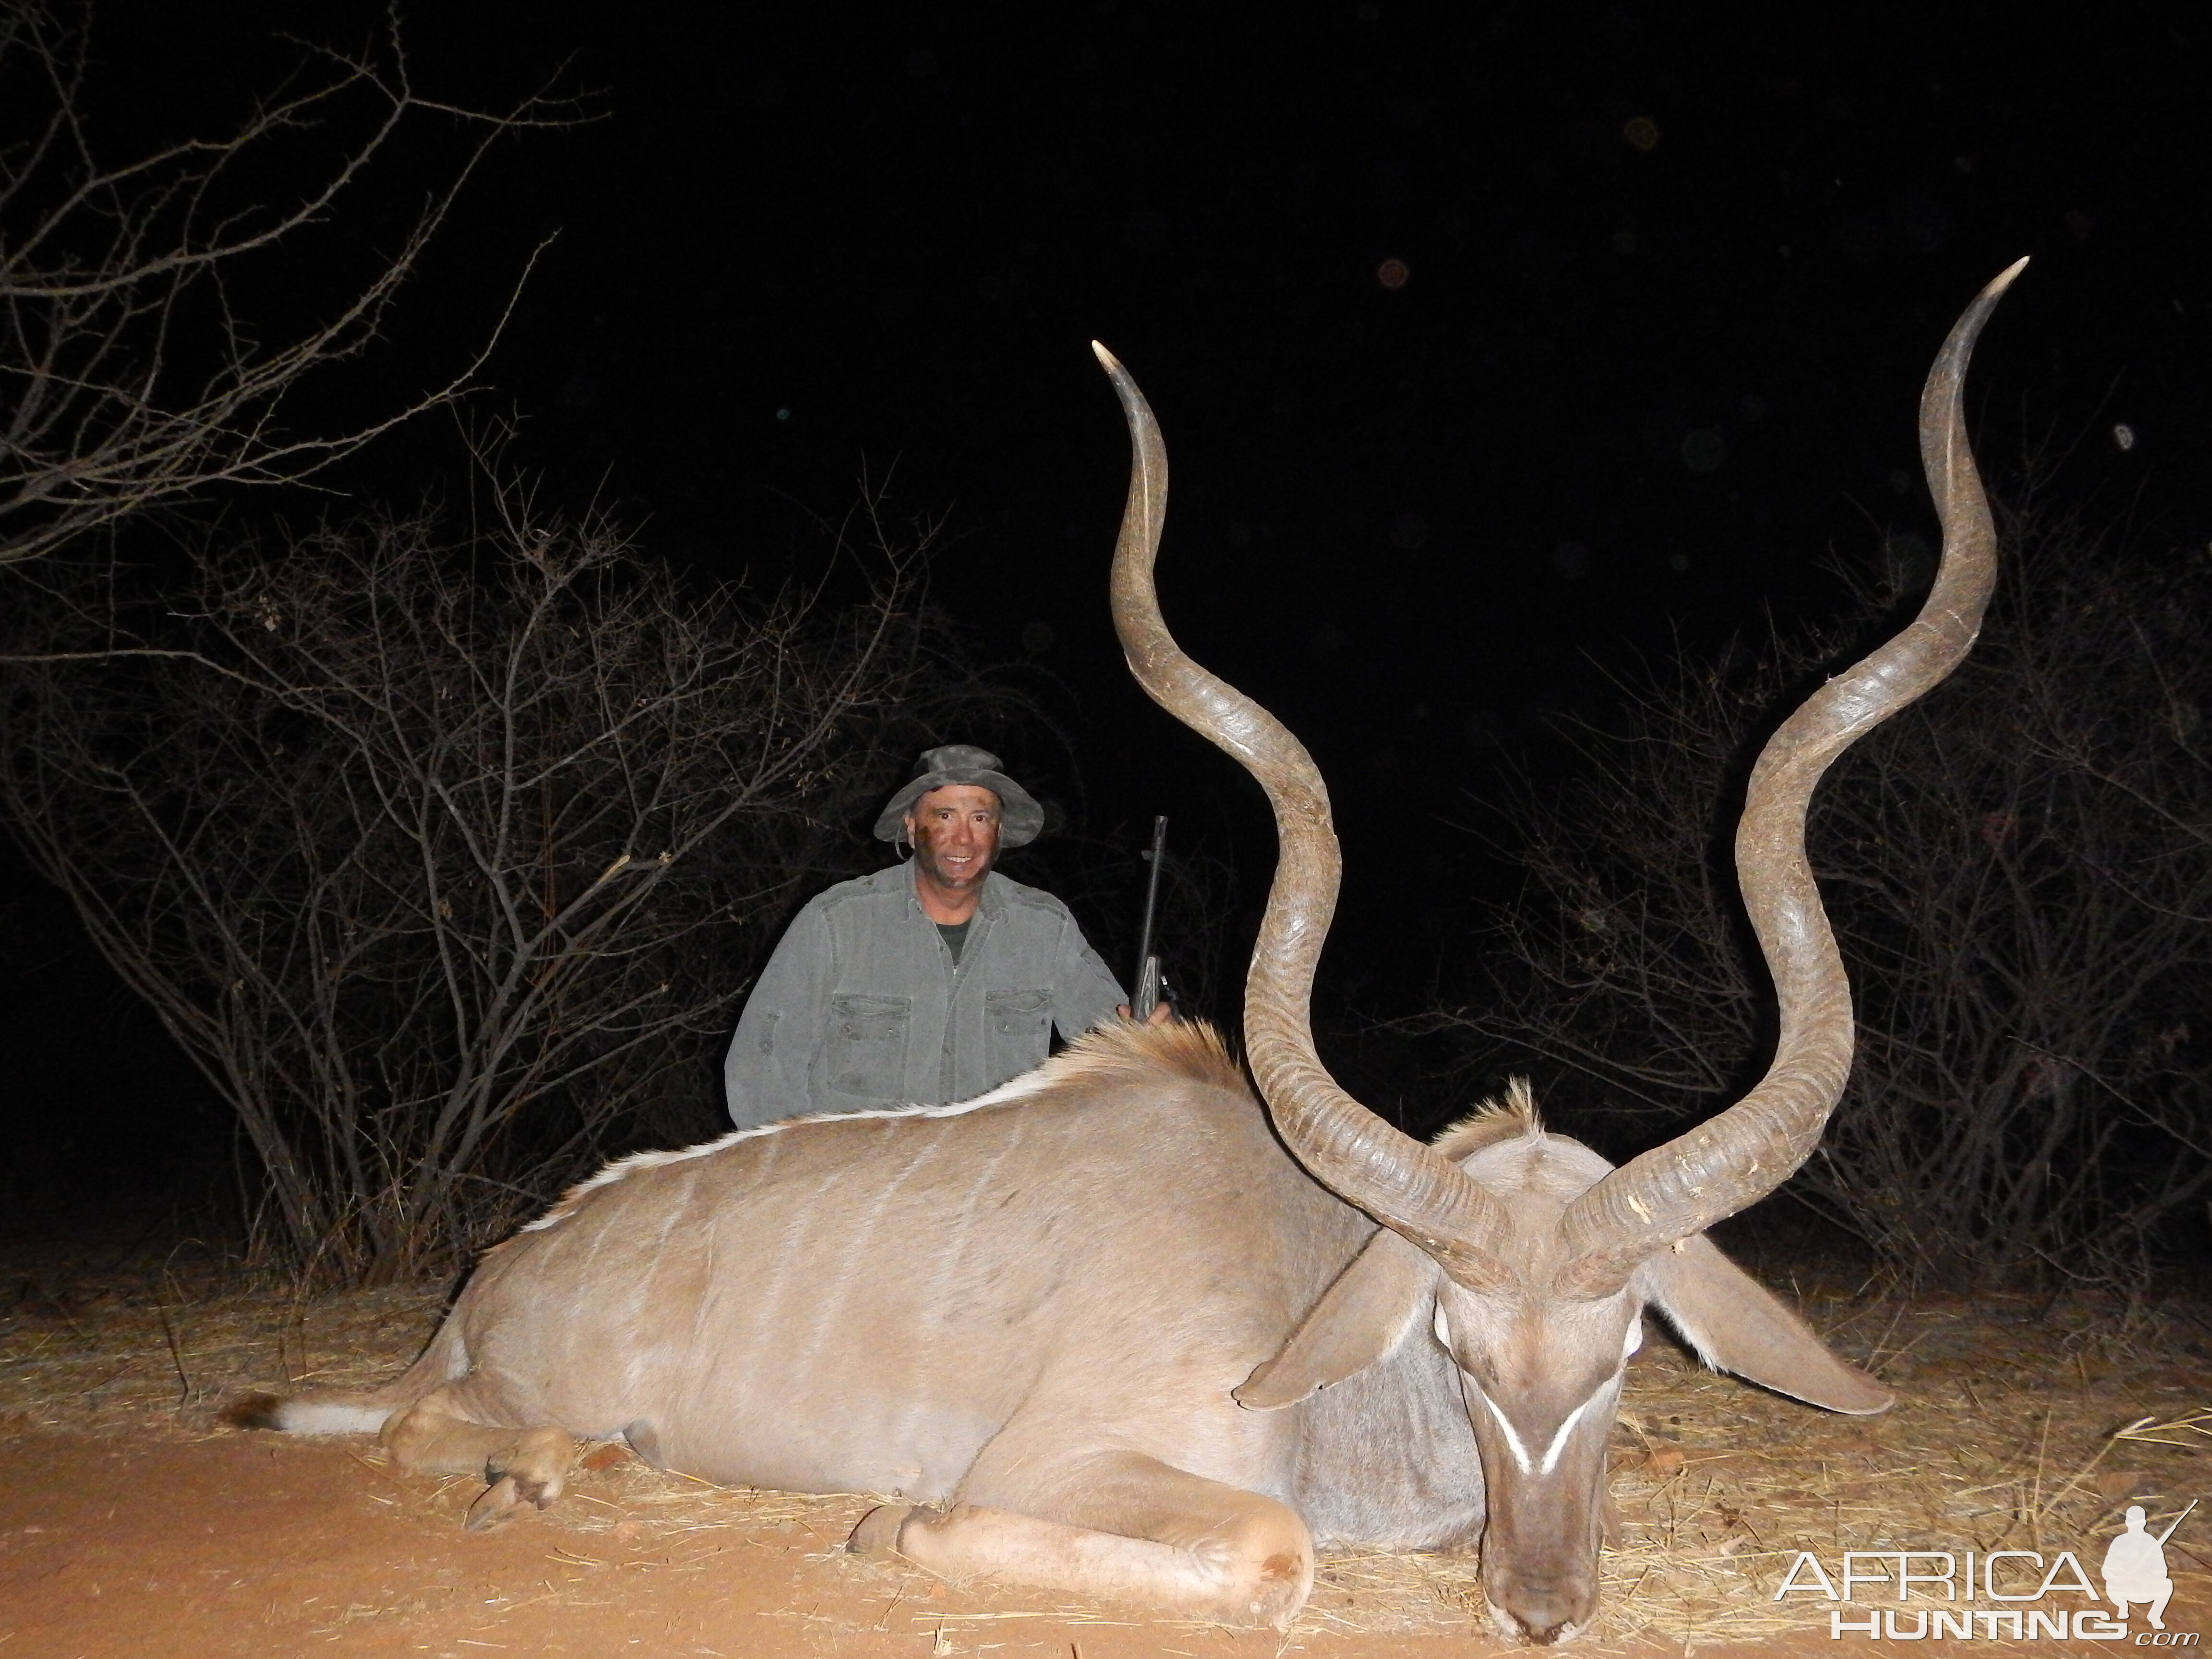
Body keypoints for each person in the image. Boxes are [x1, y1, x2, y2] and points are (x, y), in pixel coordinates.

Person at [723, 745, 1151, 1128]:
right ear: (911, 829)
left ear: (999, 832)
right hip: (865, 1188)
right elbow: (761, 1070)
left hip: (996, 1183)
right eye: (944, 816)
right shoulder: (836, 921)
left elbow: (1115, 1047)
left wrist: (1148, 1038)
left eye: (980, 818)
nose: (963, 838)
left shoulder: (1045, 927)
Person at [2101, 1505, 2175, 1630]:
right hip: (2123, 1588)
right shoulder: (2119, 1542)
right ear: (2127, 1523)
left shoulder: (2151, 1542)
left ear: (2144, 1523)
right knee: (2110, 1584)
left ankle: (2155, 1616)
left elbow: (2162, 1570)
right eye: (2132, 1522)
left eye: (2139, 1522)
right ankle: (2123, 1606)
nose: (2135, 1526)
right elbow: (2107, 1570)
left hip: (2146, 1587)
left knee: (2167, 1584)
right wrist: (2123, 1573)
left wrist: (2146, 1573)